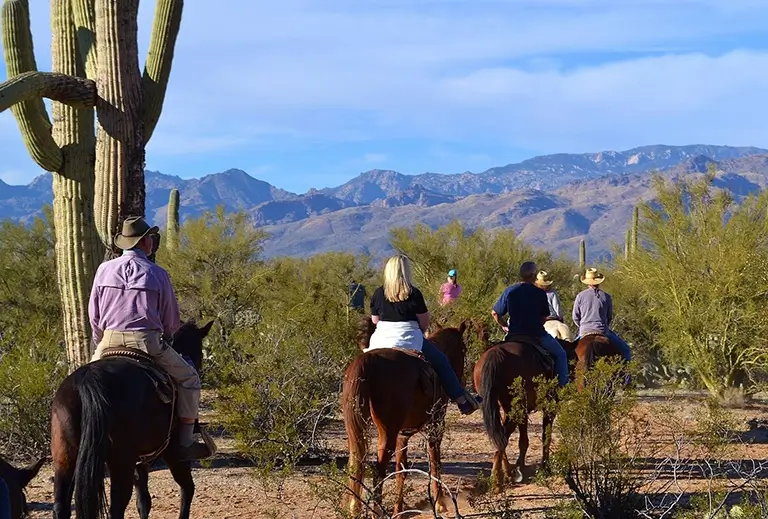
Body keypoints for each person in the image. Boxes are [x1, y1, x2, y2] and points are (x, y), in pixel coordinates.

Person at [88, 216, 210, 461]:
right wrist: (166, 336)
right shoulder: (157, 273)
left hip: (109, 341)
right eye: (151, 238)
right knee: (189, 378)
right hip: (147, 343)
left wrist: (100, 341)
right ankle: (186, 444)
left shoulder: (104, 270)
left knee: (84, 382)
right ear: (144, 242)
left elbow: (94, 314)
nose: (153, 242)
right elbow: (172, 321)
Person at [368, 255, 481, 415]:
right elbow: (424, 322)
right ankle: (462, 402)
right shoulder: (413, 293)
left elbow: (375, 320)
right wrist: (418, 331)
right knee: (441, 361)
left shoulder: (379, 293)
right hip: (409, 338)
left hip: (381, 339)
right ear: (406, 272)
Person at [490, 261, 570, 387]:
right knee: (561, 355)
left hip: (514, 334)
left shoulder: (510, 291)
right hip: (536, 335)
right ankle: (563, 387)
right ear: (534, 276)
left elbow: (495, 313)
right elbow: (544, 318)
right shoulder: (539, 293)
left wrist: (504, 326)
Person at [572, 268, 632, 362]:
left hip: (584, 331)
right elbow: (609, 317)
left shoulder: (580, 296)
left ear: (587, 282)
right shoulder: (606, 296)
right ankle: (627, 376)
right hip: (602, 330)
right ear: (598, 282)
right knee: (626, 350)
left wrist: (582, 325)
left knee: (569, 353)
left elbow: (575, 316)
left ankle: (565, 376)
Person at [534, 270, 573, 341]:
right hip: (554, 318)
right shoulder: (553, 293)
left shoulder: (534, 294)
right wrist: (560, 318)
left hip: (542, 321)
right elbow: (557, 308)